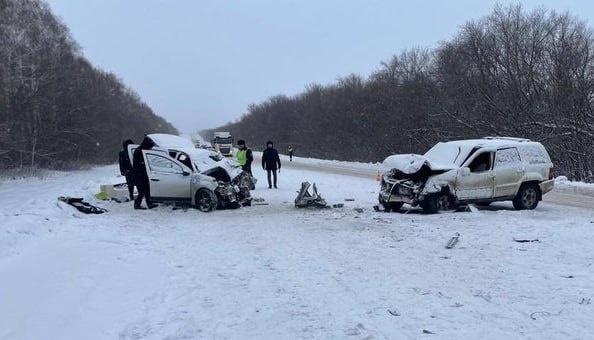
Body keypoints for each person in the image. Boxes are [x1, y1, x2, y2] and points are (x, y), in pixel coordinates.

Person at [132, 136, 157, 210]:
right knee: (141, 191)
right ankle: (137, 205)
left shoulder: (142, 149)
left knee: (147, 189)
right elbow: (141, 163)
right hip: (139, 174)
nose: (150, 149)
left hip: (143, 174)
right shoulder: (140, 151)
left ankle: (149, 203)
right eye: (150, 147)